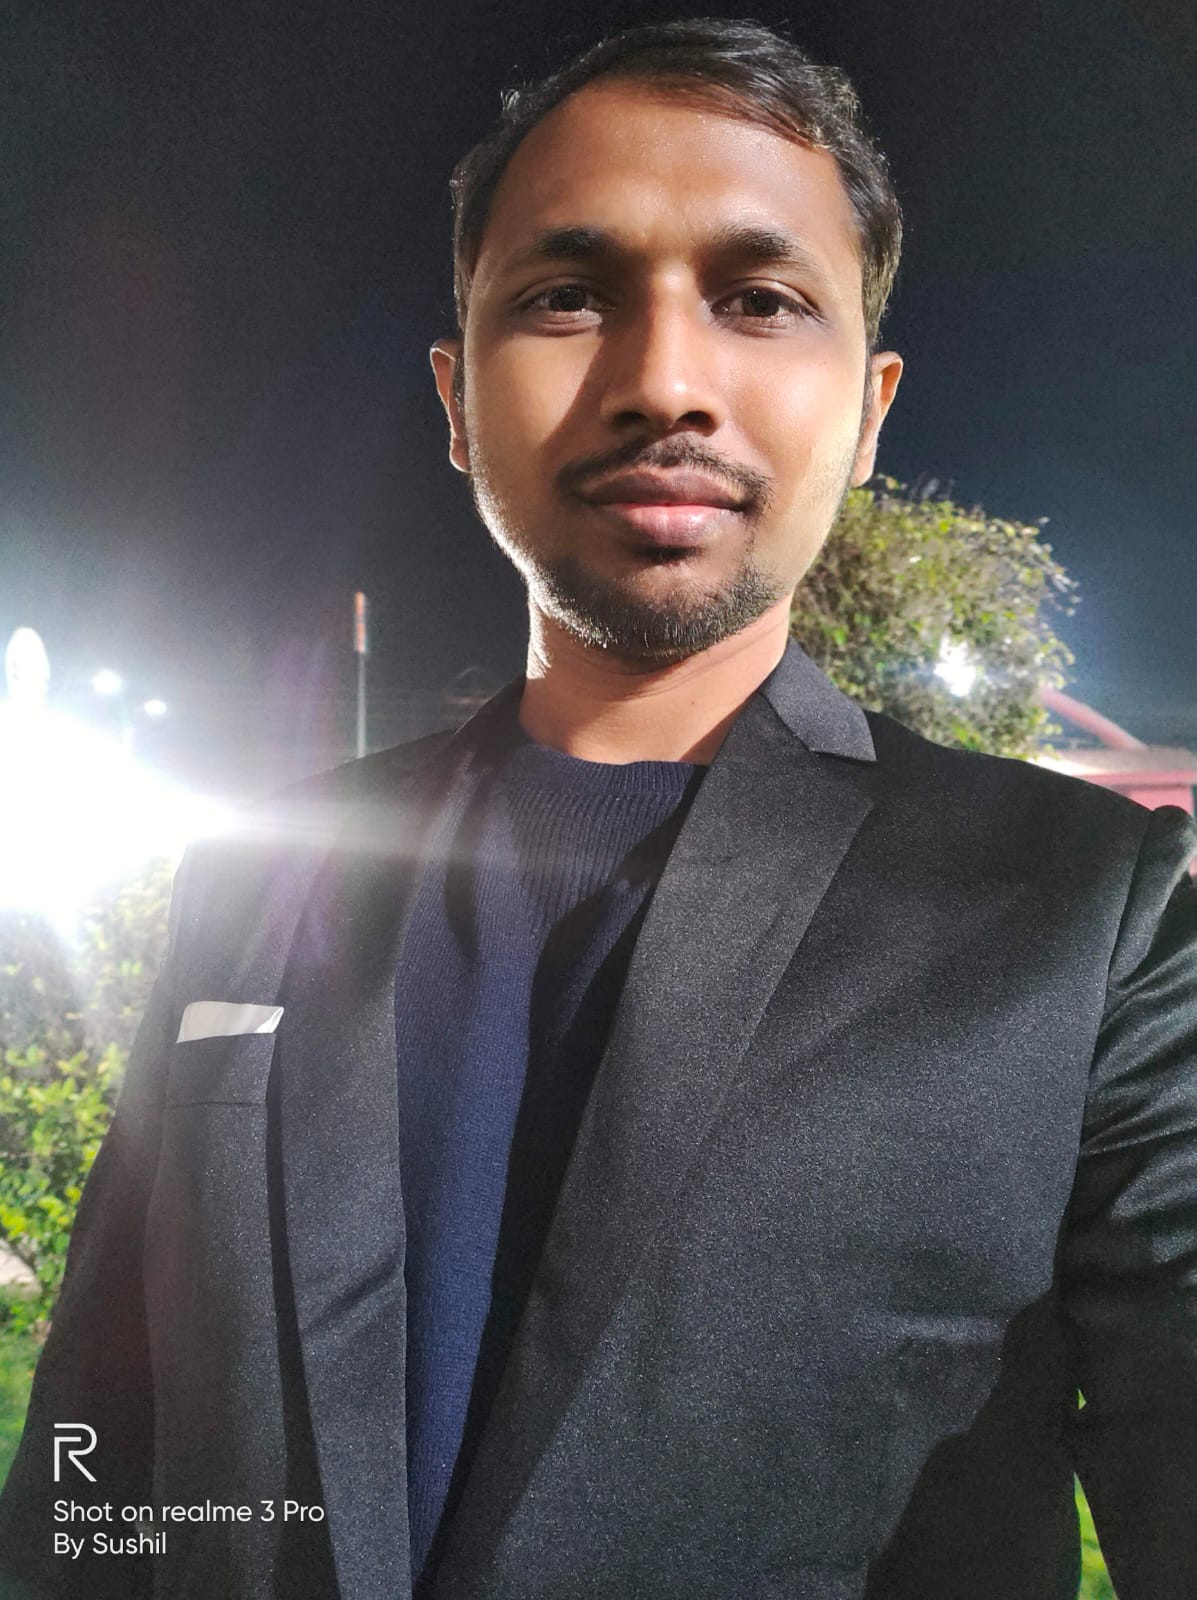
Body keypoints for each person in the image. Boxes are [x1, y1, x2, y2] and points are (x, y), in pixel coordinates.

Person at [2, 17, 1195, 1600]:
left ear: (870, 409)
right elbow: (96, 1474)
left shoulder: (1085, 915)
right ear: (454, 397)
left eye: (759, 299)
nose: (663, 382)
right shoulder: (257, 877)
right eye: (566, 295)